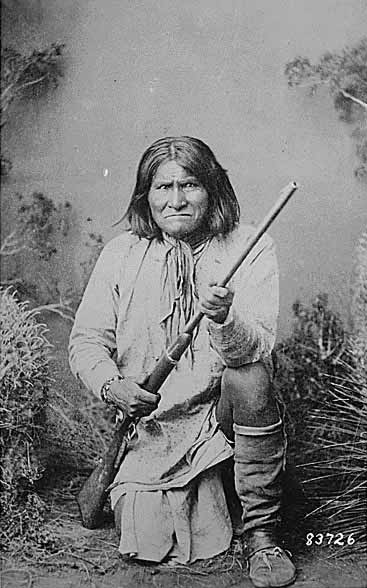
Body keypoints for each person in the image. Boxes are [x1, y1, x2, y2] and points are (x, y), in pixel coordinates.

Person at [69, 136, 296, 588]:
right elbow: (86, 342)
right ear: (145, 195)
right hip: (149, 430)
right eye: (163, 186)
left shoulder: (251, 247)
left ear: (212, 189)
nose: (176, 199)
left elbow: (254, 350)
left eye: (190, 184)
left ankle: (263, 536)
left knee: (251, 377)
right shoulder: (120, 254)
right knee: (149, 539)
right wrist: (115, 388)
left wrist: (224, 318)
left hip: (220, 422)